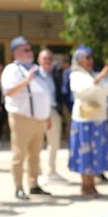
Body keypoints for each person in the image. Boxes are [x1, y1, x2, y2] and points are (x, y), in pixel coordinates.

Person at [2, 36, 52, 200]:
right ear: (16, 52)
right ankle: (18, 187)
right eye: (26, 50)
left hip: (39, 119)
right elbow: (9, 91)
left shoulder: (36, 69)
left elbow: (45, 94)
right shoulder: (12, 69)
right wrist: (27, 80)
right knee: (19, 154)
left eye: (30, 49)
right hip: (21, 118)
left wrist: (48, 115)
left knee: (35, 155)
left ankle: (34, 185)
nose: (30, 52)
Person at [68, 46, 108, 197]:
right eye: (87, 57)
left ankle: (91, 184)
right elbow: (82, 90)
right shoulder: (76, 75)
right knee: (85, 153)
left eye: (91, 57)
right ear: (79, 60)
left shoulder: (94, 75)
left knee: (95, 153)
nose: (90, 60)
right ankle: (85, 185)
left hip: (98, 119)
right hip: (83, 120)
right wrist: (101, 77)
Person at [37, 49, 65, 182]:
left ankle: (51, 171)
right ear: (39, 60)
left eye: (49, 59)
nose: (47, 61)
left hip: (53, 111)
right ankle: (37, 172)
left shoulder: (55, 75)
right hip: (38, 112)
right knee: (36, 143)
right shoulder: (35, 75)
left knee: (54, 143)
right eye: (44, 59)